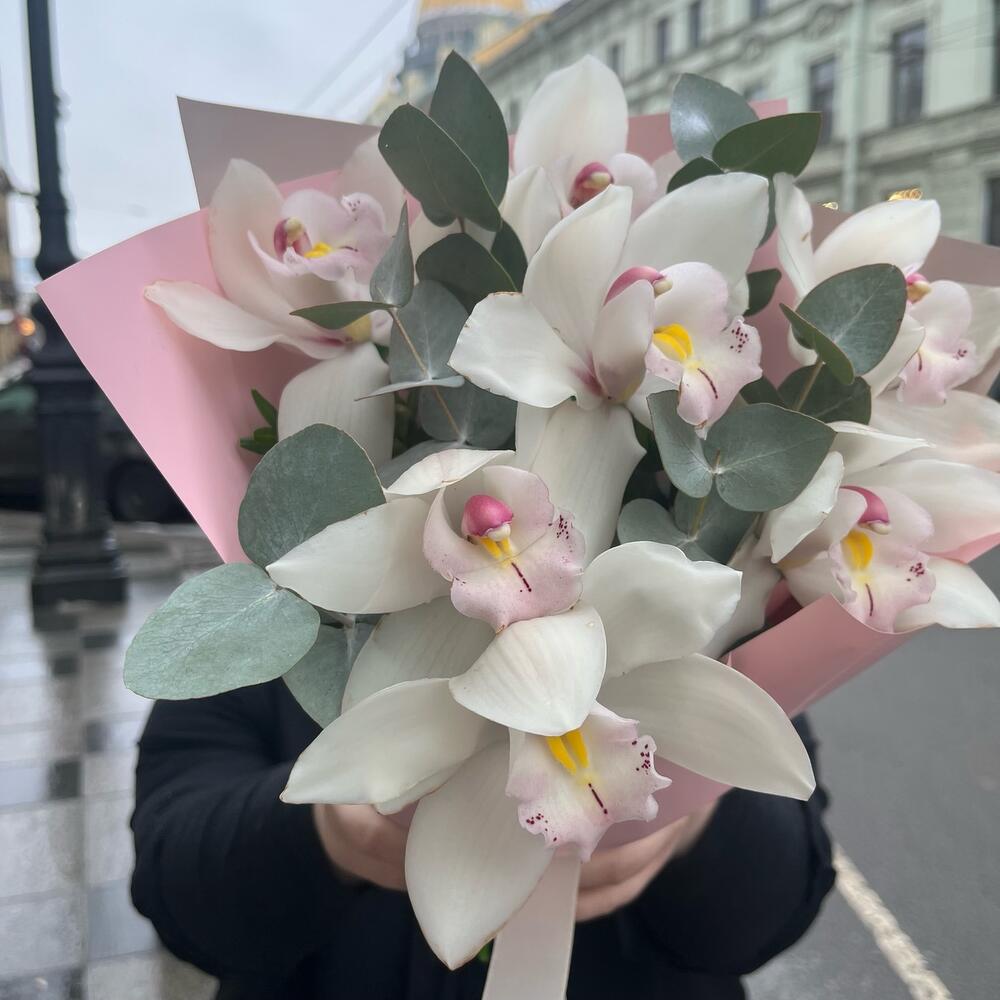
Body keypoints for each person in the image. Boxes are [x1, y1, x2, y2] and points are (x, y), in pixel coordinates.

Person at [131, 680, 835, 1000]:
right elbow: (174, 882)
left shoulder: (715, 598)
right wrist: (319, 831)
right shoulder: (274, 615)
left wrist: (692, 821)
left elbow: (785, 893)